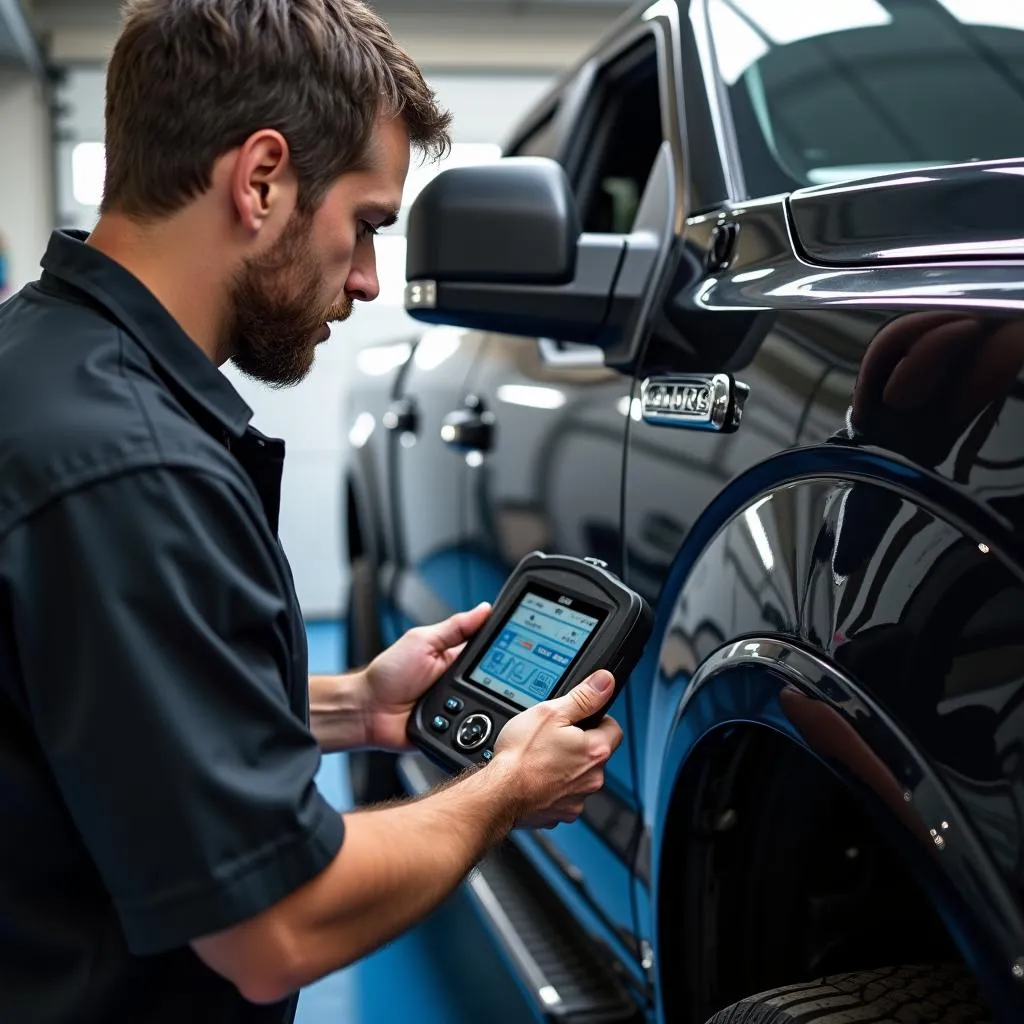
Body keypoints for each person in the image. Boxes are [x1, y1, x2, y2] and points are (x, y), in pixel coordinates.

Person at [0, 1, 623, 1022]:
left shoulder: (39, 366)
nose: (372, 280)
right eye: (368, 223)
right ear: (260, 180)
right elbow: (277, 926)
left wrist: (355, 708)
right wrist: (503, 789)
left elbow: (99, 722)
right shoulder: (131, 469)